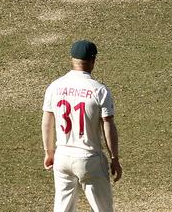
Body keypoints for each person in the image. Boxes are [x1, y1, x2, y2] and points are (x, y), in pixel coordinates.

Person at [42, 40, 122, 212]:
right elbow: (108, 126)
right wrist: (114, 158)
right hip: (89, 158)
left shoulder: (54, 86)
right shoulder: (99, 90)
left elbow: (47, 121)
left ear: (72, 59)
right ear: (93, 61)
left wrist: (49, 152)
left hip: (62, 156)